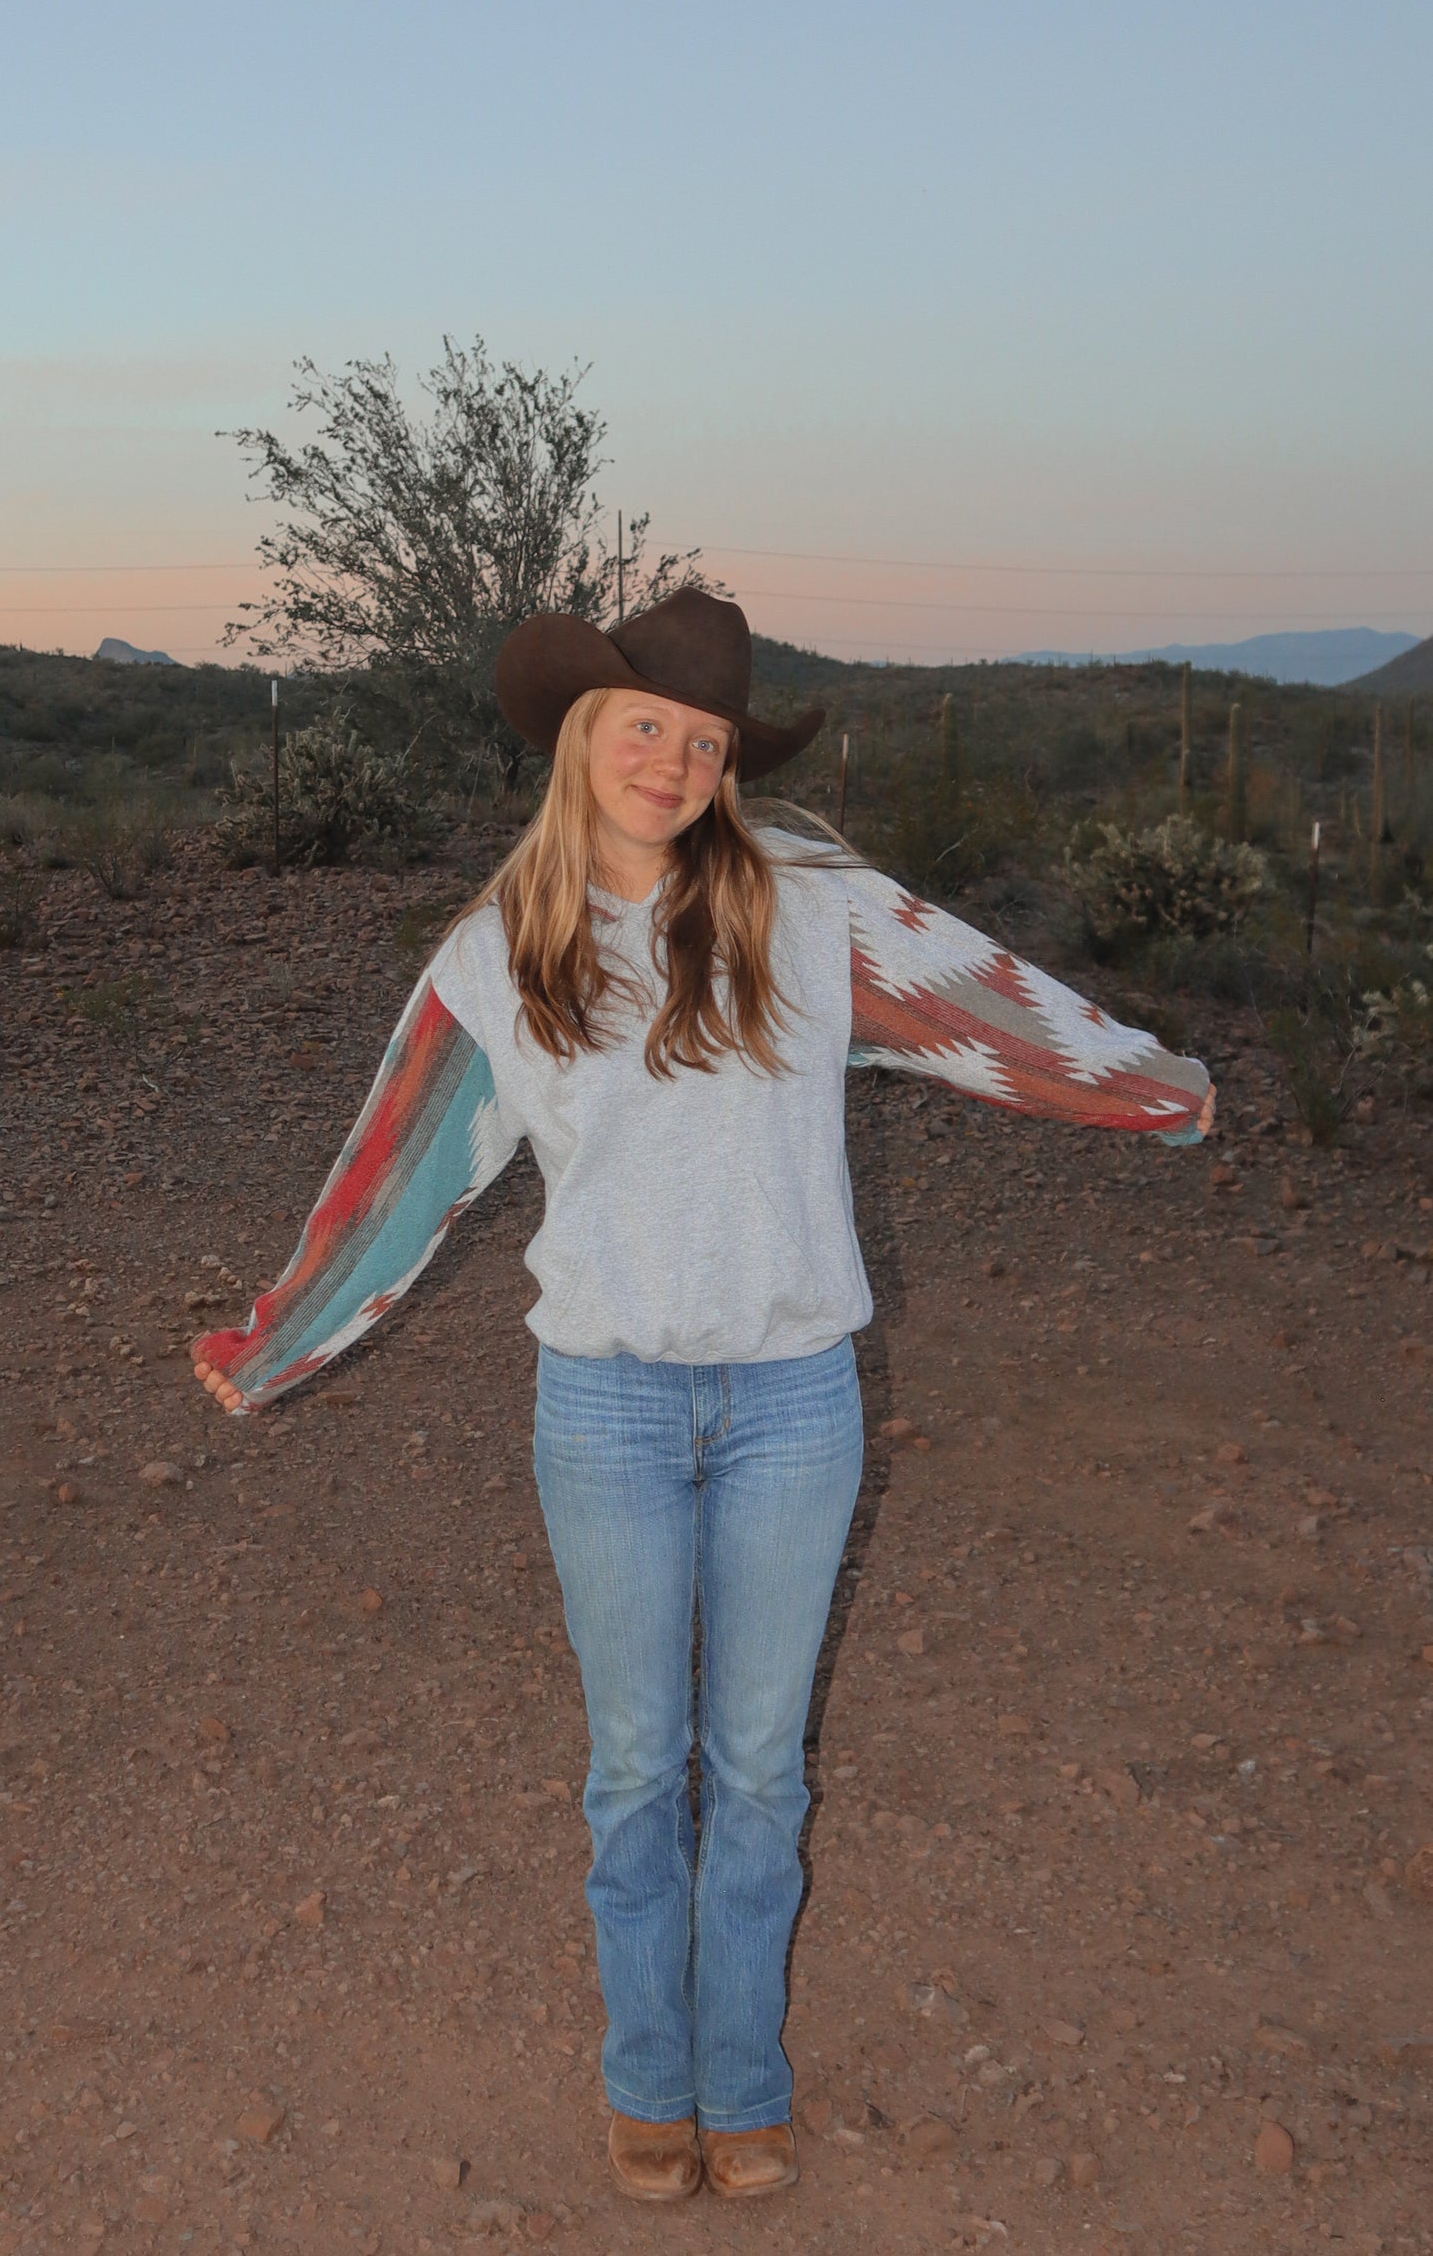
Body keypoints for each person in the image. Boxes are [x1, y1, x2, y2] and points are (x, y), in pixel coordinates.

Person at [192, 589, 1214, 2204]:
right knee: (632, 1770)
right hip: (602, 1409)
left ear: (731, 765)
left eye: (705, 741)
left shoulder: (811, 915)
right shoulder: (497, 951)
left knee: (754, 1770)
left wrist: (1158, 1090)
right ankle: (644, 2081)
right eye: (643, 727)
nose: (670, 762)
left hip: (794, 1403)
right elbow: (401, 1171)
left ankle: (741, 2085)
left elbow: (996, 1009)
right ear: (578, 738)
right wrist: (275, 1341)